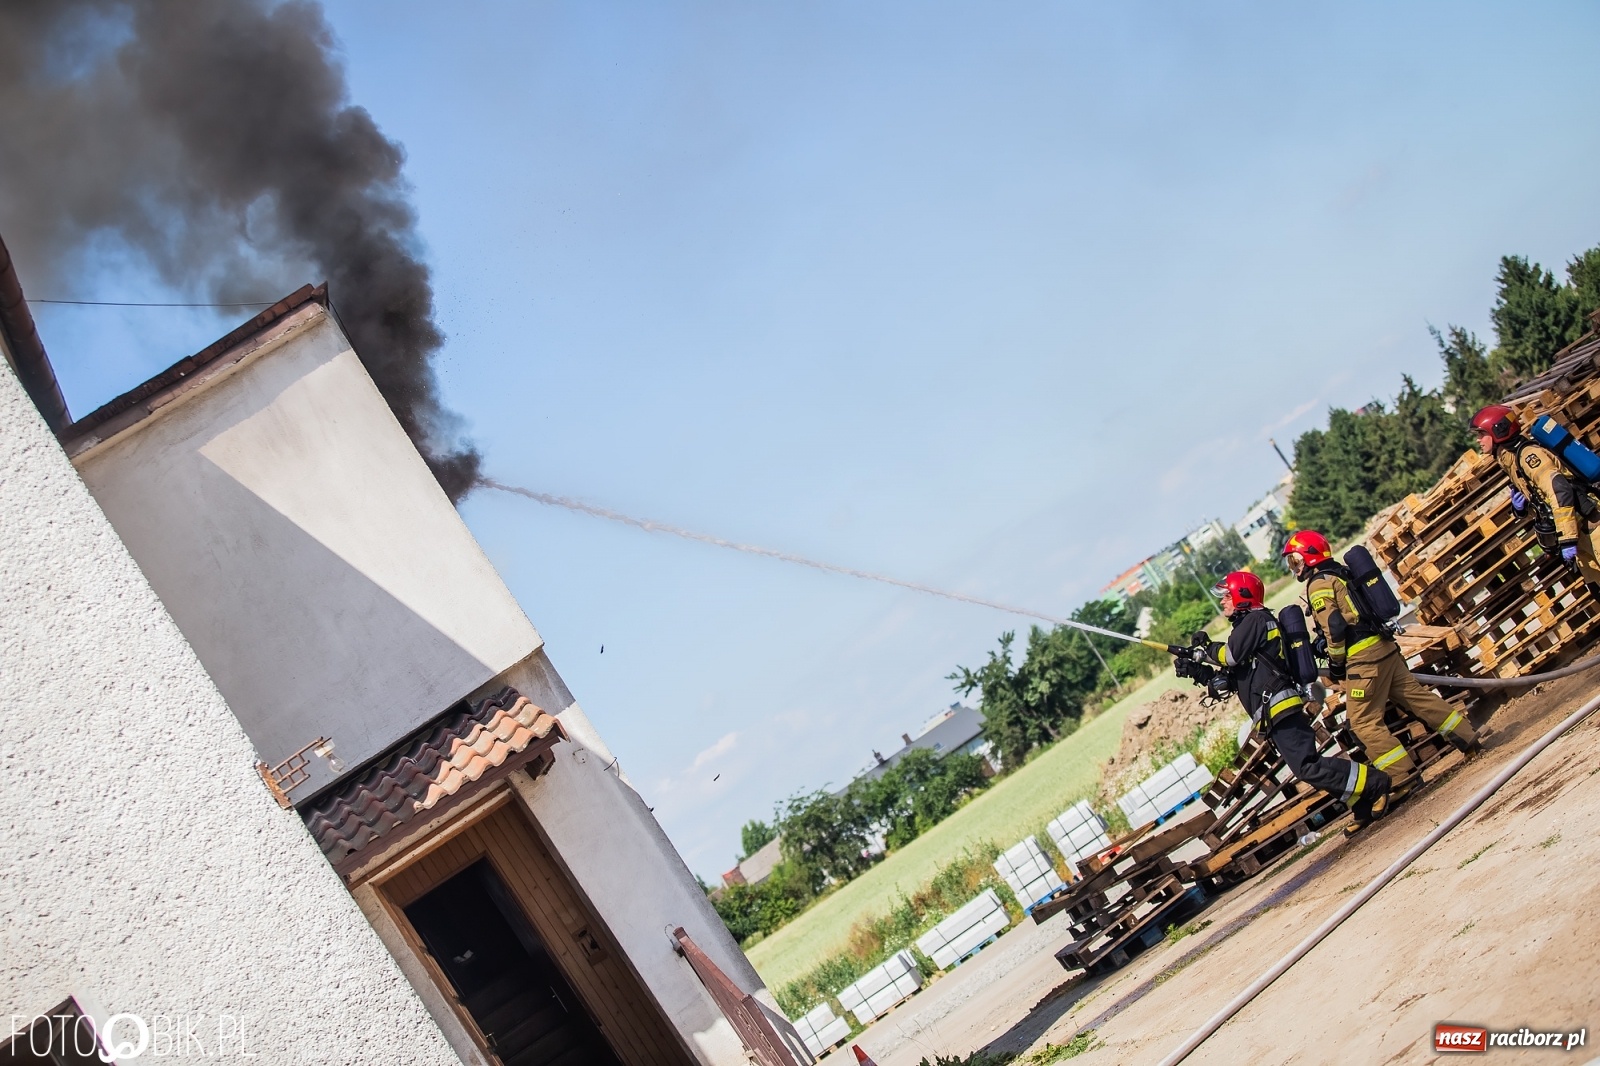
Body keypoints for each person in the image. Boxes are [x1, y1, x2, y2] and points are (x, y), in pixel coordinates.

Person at [1173, 570, 1392, 831]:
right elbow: (1237, 676)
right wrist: (1200, 673)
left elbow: (1230, 656)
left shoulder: (1255, 620)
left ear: (1243, 596)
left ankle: (1375, 784)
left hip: (1280, 706)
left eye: (1227, 596)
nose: (1222, 602)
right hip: (1272, 712)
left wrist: (1205, 649)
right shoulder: (1248, 628)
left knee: (1307, 767)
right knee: (1306, 768)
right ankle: (1362, 805)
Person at [1282, 529, 1480, 791]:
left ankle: (1402, 777)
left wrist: (1337, 662)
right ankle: (1468, 738)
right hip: (1385, 648)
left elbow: (1335, 627)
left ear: (1309, 556)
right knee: (1416, 698)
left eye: (1295, 560)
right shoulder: (1342, 572)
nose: (1294, 568)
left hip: (1363, 660)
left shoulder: (1319, 584)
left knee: (1363, 722)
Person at [1471, 403, 1600, 594]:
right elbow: (1544, 502)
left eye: (1481, 434)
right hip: (1581, 537)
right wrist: (1522, 509)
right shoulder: (1511, 460)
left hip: (1592, 528)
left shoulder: (1529, 455)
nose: (1478, 440)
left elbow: (1560, 491)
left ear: (1498, 430)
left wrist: (1567, 539)